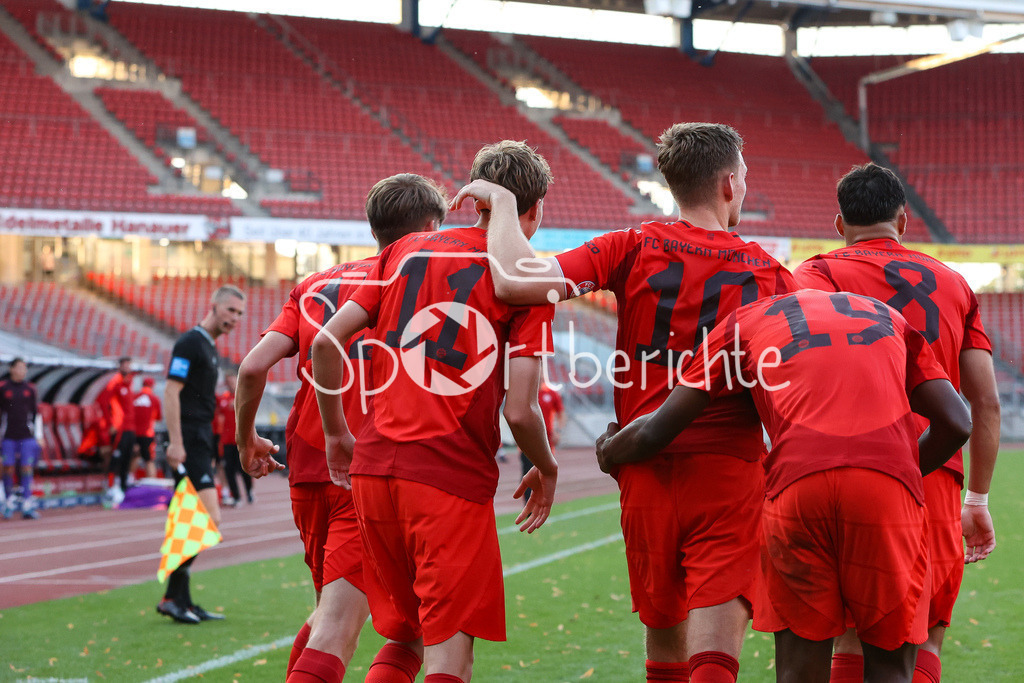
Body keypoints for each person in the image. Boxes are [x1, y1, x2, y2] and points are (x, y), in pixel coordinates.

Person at [464, 123, 795, 682]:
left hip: (641, 469)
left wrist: (499, 203)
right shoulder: (769, 272)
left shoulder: (632, 244)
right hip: (726, 471)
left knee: (664, 651)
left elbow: (516, 281)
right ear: (729, 185)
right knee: (715, 657)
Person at [597, 288, 973, 682]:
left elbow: (657, 431)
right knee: (890, 670)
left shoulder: (741, 321)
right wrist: (898, 472)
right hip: (887, 489)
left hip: (796, 486)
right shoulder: (888, 315)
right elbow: (957, 422)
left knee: (798, 670)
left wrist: (610, 450)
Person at [312, 141, 559, 683]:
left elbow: (326, 345)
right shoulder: (530, 279)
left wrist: (336, 434)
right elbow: (521, 410)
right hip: (448, 476)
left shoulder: (404, 251)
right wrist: (548, 464)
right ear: (536, 210)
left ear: (476, 202)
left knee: (406, 635)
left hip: (373, 470)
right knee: (451, 657)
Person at [236, 173, 449, 683]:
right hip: (368, 467)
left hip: (306, 468)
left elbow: (250, 368)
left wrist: (246, 439)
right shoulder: (414, 281)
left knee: (325, 614)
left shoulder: (313, 284)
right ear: (429, 226)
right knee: (396, 631)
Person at [793, 162, 1001, 683]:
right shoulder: (955, 283)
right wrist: (977, 499)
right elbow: (986, 403)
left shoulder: (817, 274)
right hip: (935, 473)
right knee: (923, 629)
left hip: (849, 465)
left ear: (839, 225)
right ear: (903, 221)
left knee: (847, 624)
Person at [157, 284, 245, 625]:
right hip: (190, 440)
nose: (235, 319)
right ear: (214, 306)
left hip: (201, 440)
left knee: (191, 520)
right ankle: (172, 597)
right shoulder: (190, 343)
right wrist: (175, 442)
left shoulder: (208, 347)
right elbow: (170, 390)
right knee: (207, 519)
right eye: (231, 311)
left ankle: (180, 599)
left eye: (239, 314)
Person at [1, 358, 42, 519]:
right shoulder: (3, 388)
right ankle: (9, 501)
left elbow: (36, 414)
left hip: (27, 436)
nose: (22, 370)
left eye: (24, 368)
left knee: (26, 468)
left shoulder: (30, 389)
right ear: (12, 369)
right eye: (19, 367)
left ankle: (27, 503)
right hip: (8, 436)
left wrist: (39, 436)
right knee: (8, 468)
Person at [97, 356, 136, 506]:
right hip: (119, 429)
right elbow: (103, 402)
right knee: (115, 459)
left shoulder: (130, 383)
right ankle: (110, 488)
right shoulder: (115, 382)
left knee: (127, 460)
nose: (127, 367)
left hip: (130, 428)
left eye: (129, 364)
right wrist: (111, 423)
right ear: (120, 366)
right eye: (125, 364)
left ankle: (123, 489)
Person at [520, 380, 565, 503]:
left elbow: (561, 413)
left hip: (547, 443)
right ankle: (529, 508)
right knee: (528, 474)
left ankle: (539, 505)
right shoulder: (526, 393)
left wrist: (558, 431)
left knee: (544, 474)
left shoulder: (551, 393)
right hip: (529, 442)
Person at [214, 370, 251, 506]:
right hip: (227, 440)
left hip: (241, 439)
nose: (230, 383)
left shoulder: (244, 395)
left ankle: (249, 491)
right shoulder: (223, 399)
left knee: (244, 468)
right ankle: (236, 496)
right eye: (228, 381)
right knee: (229, 469)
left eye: (233, 380)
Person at [132, 377, 162, 479]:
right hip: (147, 433)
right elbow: (158, 417)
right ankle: (152, 484)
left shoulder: (134, 397)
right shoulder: (154, 399)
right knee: (149, 460)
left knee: (135, 457)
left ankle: (129, 480)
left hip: (134, 433)